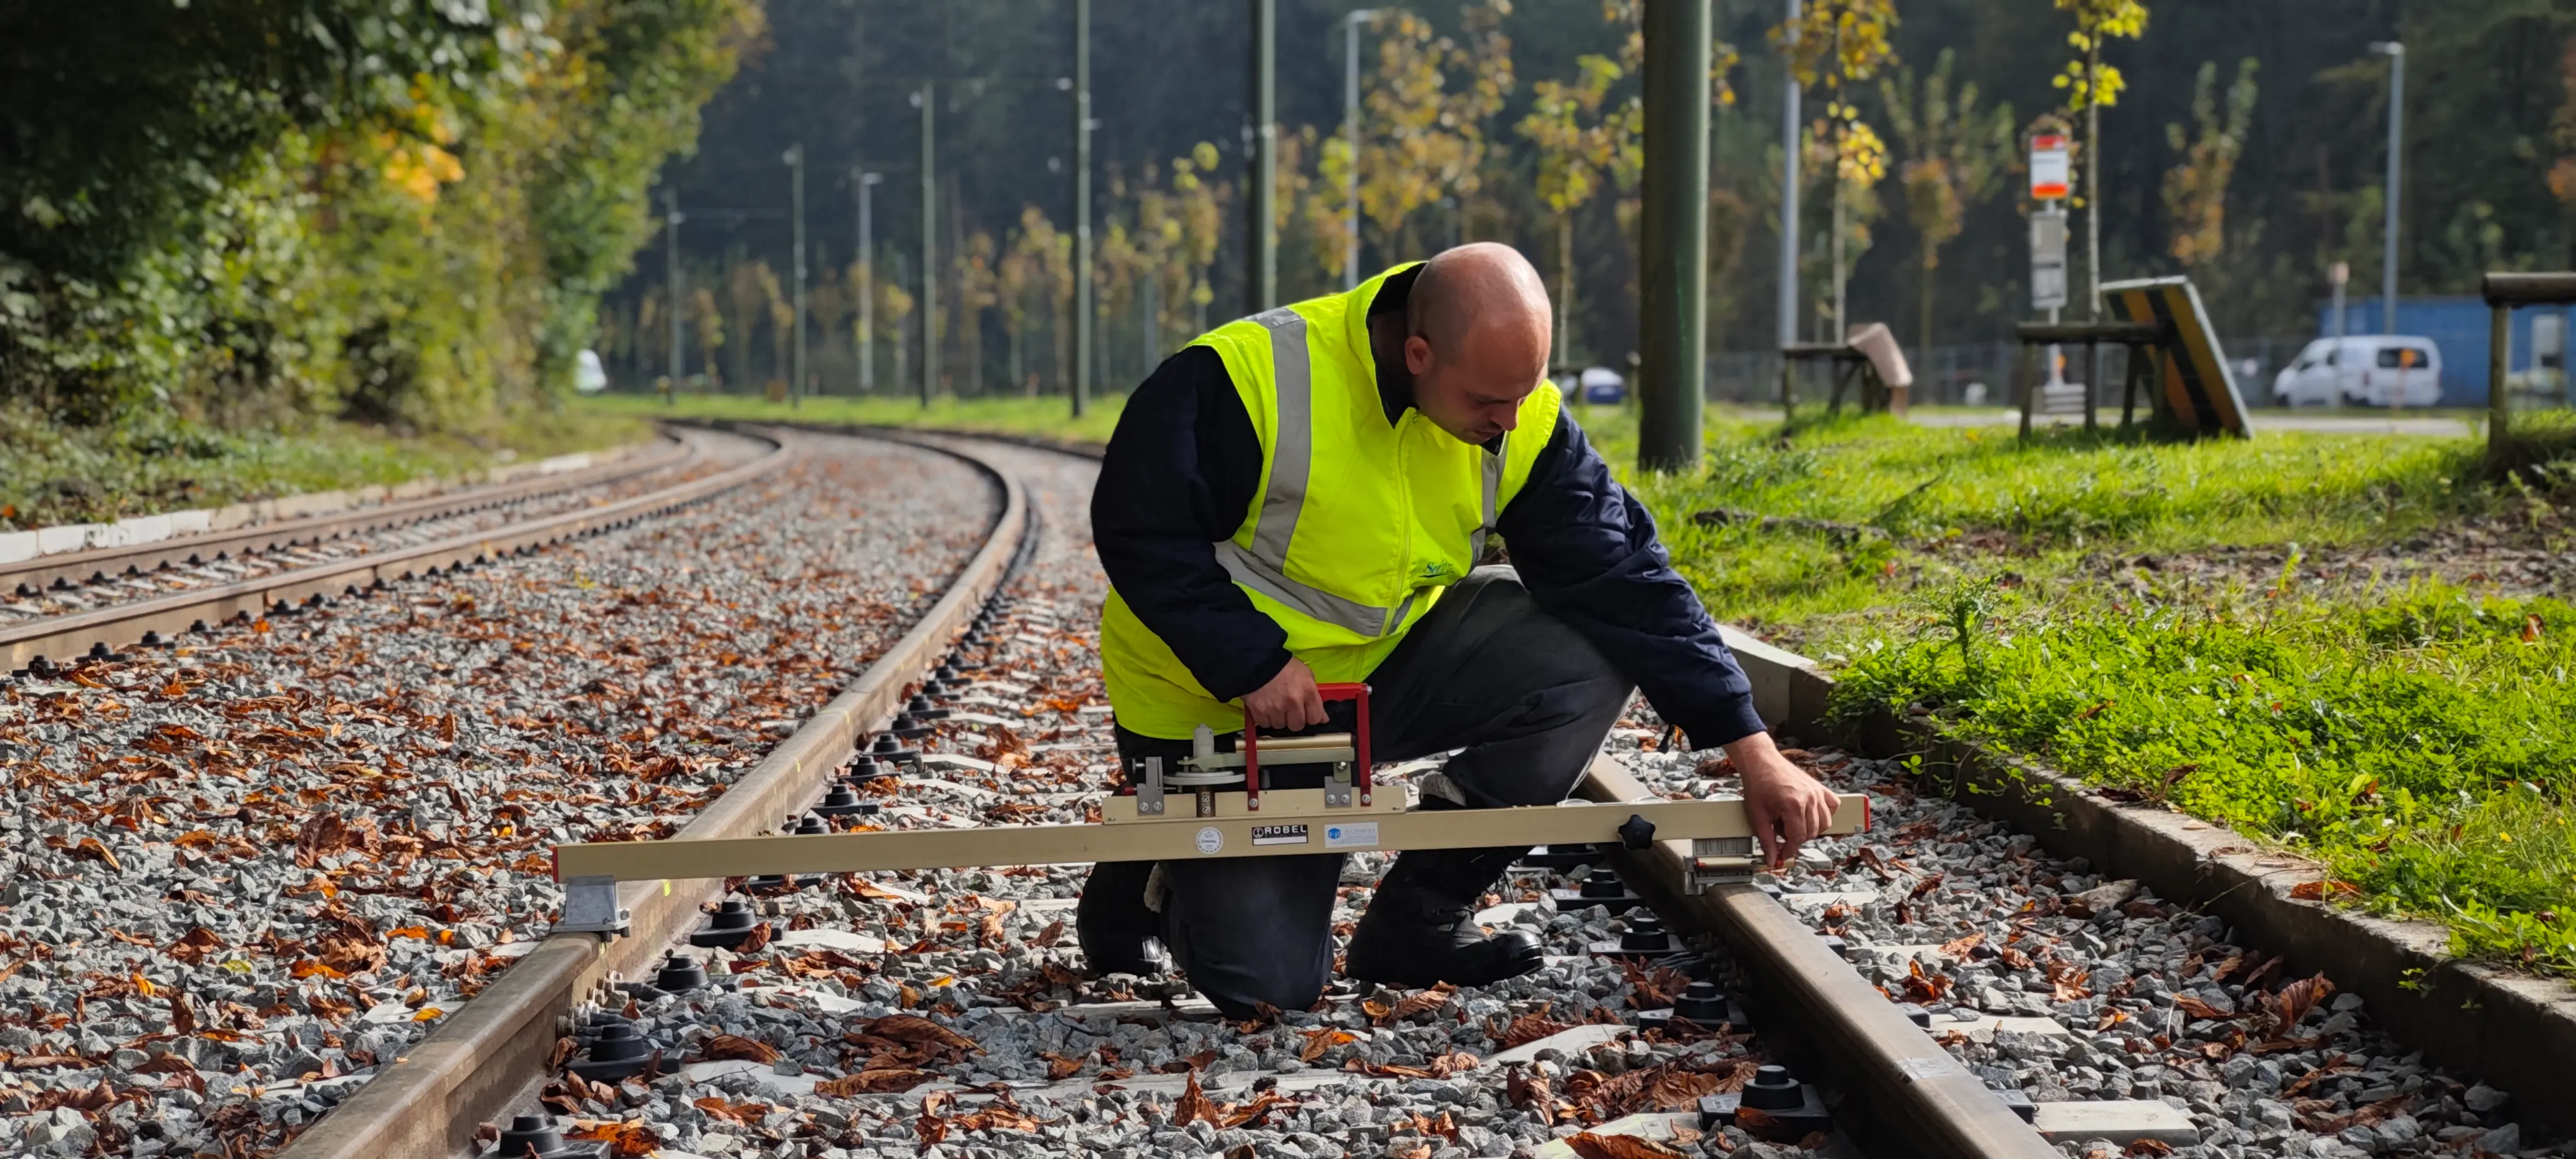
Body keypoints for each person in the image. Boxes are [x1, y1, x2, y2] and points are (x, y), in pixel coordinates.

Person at [1076, 244, 1838, 1018]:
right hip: (1218, 705)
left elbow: (1626, 579)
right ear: (1418, 353)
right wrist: (1249, 665)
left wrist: (1753, 747)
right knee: (1269, 988)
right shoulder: (1249, 379)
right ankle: (1148, 866)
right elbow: (1141, 529)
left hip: (1371, 684)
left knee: (1583, 656)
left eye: (1524, 394)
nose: (1507, 421)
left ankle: (1418, 921)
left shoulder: (1520, 416)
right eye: (1486, 400)